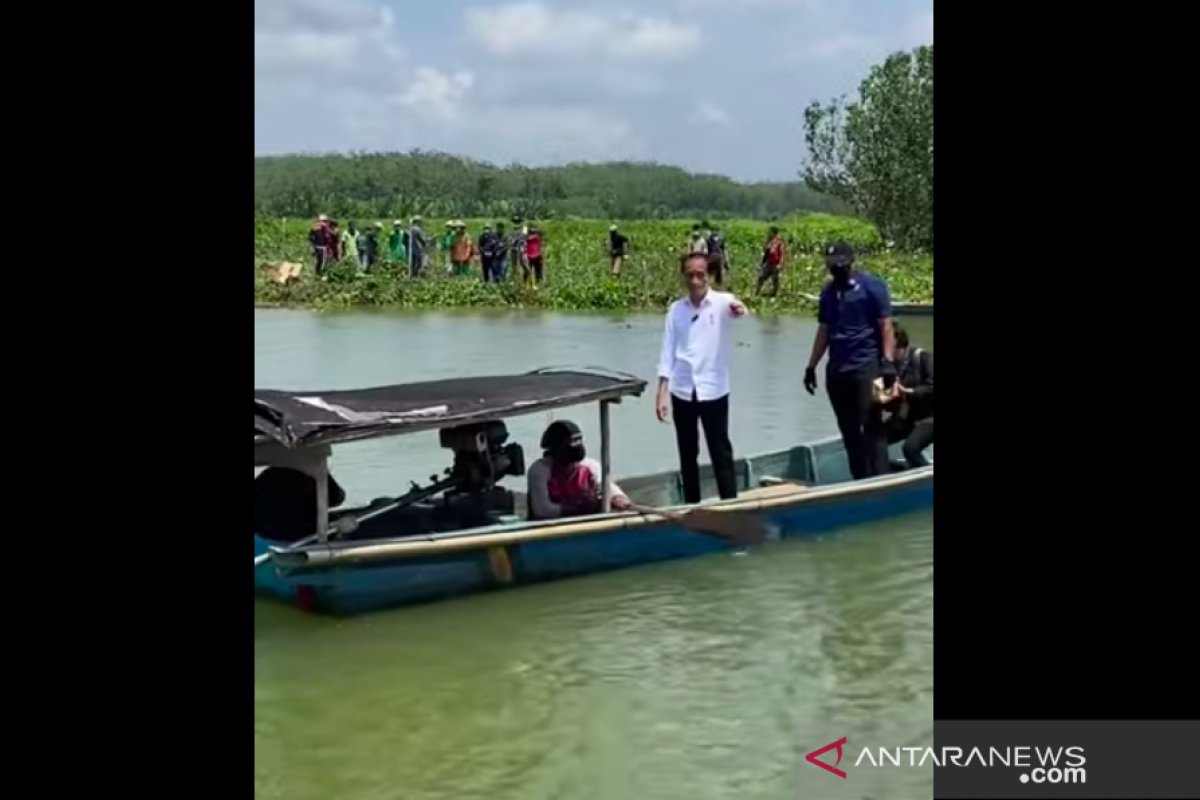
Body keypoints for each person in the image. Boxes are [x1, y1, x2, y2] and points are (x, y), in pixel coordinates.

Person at [655, 252, 748, 504]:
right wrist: (662, 392)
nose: (695, 280)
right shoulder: (676, 310)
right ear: (684, 276)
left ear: (708, 275)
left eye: (700, 274)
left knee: (720, 450)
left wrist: (740, 309)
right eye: (690, 275)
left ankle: (730, 503)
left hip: (714, 389)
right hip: (683, 389)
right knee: (687, 452)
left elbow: (738, 309)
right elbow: (667, 352)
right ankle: (692, 505)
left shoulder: (721, 303)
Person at [803, 241, 896, 480]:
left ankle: (882, 479)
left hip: (866, 366)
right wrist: (812, 365)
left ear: (851, 263)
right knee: (849, 431)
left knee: (872, 427)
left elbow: (885, 325)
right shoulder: (827, 293)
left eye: (840, 266)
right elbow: (824, 329)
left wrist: (887, 362)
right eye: (832, 266)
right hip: (837, 370)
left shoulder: (871, 287)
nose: (836, 270)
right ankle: (860, 480)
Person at [527, 420, 632, 520]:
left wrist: (617, 498)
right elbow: (543, 511)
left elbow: (609, 488)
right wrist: (582, 506)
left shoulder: (590, 466)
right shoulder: (540, 471)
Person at [881, 323, 934, 469]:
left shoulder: (922, 357)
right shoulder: (887, 367)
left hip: (929, 417)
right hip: (906, 417)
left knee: (910, 449)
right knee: (874, 444)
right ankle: (896, 472)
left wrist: (910, 392)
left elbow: (932, 386)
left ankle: (925, 478)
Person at [254, 465, 346, 543]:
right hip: (300, 534)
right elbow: (337, 498)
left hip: (267, 534)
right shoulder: (310, 473)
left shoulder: (270, 475)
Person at [757, 226, 785, 296]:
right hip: (768, 263)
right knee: (761, 277)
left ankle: (775, 293)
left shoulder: (779, 242)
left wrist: (780, 264)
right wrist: (762, 263)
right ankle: (758, 292)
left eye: (770, 232)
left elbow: (781, 254)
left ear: (774, 233)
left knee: (775, 279)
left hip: (775, 264)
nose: (769, 233)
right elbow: (766, 253)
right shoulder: (769, 242)